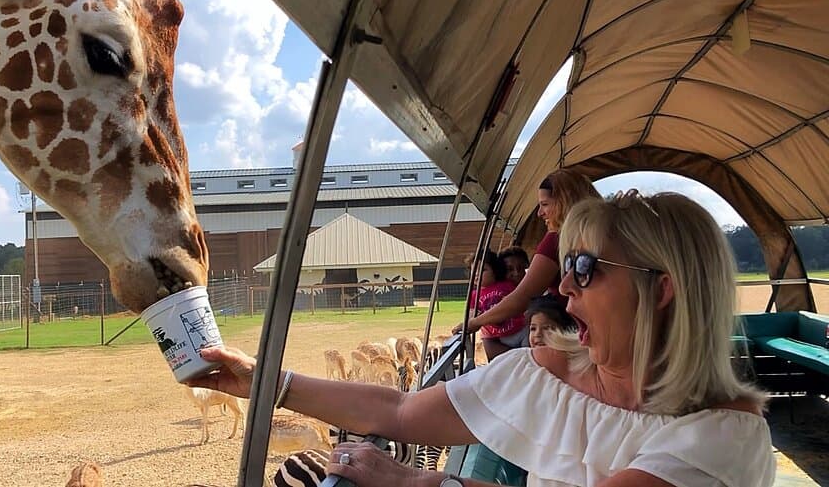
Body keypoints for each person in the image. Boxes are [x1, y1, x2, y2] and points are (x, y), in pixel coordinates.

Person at [189, 191, 774, 486]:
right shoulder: (543, 373)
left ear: (662, 290)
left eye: (587, 267)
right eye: (566, 262)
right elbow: (397, 409)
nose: (562, 285)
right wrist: (263, 381)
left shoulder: (724, 437)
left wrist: (415, 481)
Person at [455, 169, 600, 339]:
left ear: (564, 202)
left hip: (573, 332)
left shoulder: (556, 239)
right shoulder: (596, 234)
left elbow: (522, 297)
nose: (539, 213)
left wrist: (475, 322)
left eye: (545, 204)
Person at [467, 251, 524, 361]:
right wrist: (465, 324)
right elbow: (471, 317)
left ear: (495, 271)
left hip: (519, 331)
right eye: (473, 270)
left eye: (483, 270)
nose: (476, 274)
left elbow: (518, 301)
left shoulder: (506, 285)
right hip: (498, 338)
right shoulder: (474, 295)